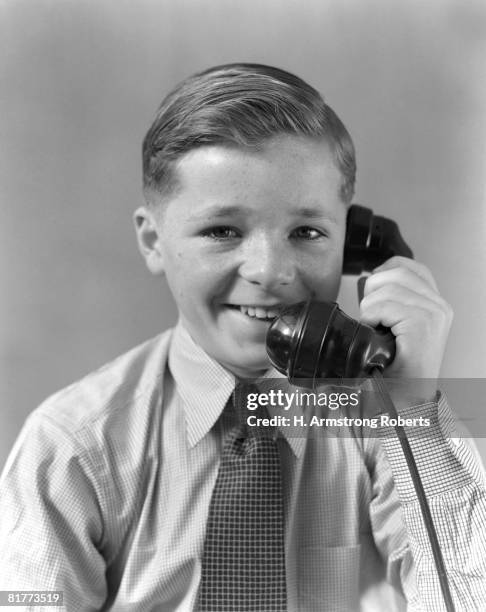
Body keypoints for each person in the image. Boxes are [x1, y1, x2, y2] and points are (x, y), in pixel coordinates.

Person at [1, 63, 485, 612]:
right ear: (154, 241)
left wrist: (412, 412)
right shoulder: (71, 448)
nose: (270, 270)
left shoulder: (382, 427)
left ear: (355, 244)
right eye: (222, 231)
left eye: (307, 232)